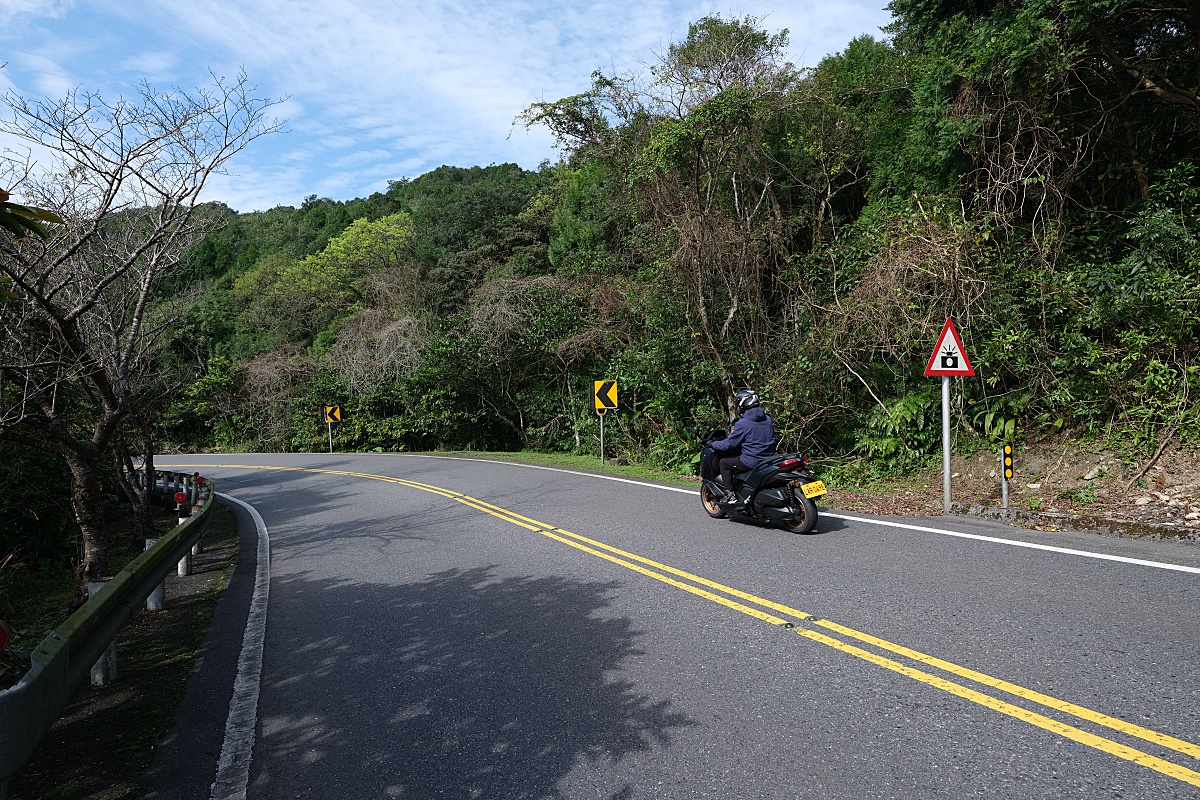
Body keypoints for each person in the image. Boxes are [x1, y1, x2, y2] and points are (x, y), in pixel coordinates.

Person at [709, 389, 777, 504]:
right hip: (770, 459)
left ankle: (730, 494)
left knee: (724, 463)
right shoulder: (767, 419)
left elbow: (728, 445)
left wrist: (712, 444)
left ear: (742, 404)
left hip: (752, 460)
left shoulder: (743, 423)